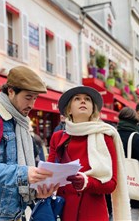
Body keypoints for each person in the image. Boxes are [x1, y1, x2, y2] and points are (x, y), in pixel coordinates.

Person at [0, 66, 59, 221]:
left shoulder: (20, 124)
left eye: (35, 98)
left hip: (18, 214)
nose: (32, 104)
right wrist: (23, 173)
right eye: (28, 97)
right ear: (10, 91)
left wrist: (36, 192)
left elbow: (16, 181)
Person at [48, 85, 131, 221]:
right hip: (63, 211)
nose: (83, 101)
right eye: (77, 99)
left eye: (87, 99)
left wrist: (86, 182)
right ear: (69, 109)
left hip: (93, 213)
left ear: (93, 109)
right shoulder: (58, 137)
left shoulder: (105, 136)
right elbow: (49, 174)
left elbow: (112, 184)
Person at [117, 107, 139, 221]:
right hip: (132, 186)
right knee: (132, 216)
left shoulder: (114, 133)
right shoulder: (135, 136)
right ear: (135, 120)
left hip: (116, 183)